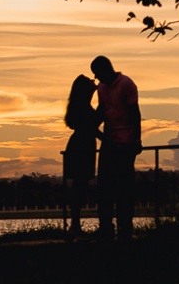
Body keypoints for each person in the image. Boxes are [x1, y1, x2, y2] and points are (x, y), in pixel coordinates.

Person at [90, 55, 142, 241]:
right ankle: (106, 227)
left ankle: (125, 228)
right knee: (104, 187)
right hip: (109, 143)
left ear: (105, 69)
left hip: (126, 142)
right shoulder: (102, 88)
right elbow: (103, 111)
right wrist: (92, 126)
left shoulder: (127, 84)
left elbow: (135, 113)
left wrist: (137, 140)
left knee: (125, 188)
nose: (96, 77)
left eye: (97, 73)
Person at [62, 74, 101, 238]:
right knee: (80, 187)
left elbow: (94, 125)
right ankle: (75, 225)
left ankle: (75, 225)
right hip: (82, 147)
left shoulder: (83, 106)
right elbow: (93, 127)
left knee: (80, 187)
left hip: (81, 145)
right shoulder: (83, 107)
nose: (94, 82)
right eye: (90, 81)